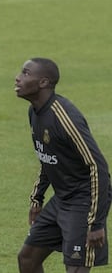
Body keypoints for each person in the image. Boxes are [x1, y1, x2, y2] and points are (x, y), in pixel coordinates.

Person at [15, 57, 112, 273]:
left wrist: (96, 223)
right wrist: (37, 197)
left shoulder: (65, 117)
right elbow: (46, 157)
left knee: (75, 268)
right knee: (27, 258)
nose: (18, 78)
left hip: (83, 202)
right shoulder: (35, 113)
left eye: (25, 73)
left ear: (43, 82)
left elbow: (98, 167)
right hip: (62, 199)